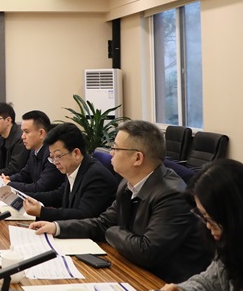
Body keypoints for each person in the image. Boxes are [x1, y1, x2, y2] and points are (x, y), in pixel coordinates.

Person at [30, 120, 211, 282]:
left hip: (166, 285)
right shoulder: (127, 184)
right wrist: (57, 227)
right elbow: (102, 222)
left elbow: (147, 251)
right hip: (134, 269)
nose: (111, 153)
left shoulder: (171, 195)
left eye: (116, 149)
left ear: (137, 158)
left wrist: (112, 230)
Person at [156, 159, 243, 291]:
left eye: (210, 218)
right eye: (203, 217)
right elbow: (210, 283)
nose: (208, 226)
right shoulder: (230, 244)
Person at [21, 123, 117, 221]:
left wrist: (42, 212)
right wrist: (24, 197)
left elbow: (83, 215)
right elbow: (58, 195)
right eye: (52, 157)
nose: (55, 162)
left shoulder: (96, 176)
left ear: (76, 153)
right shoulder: (73, 167)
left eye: (58, 156)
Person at [1, 110, 64, 193]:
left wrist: (9, 184)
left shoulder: (52, 154)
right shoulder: (34, 150)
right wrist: (9, 178)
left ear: (41, 133)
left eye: (26, 132)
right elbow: (25, 173)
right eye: (22, 132)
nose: (22, 136)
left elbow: (40, 187)